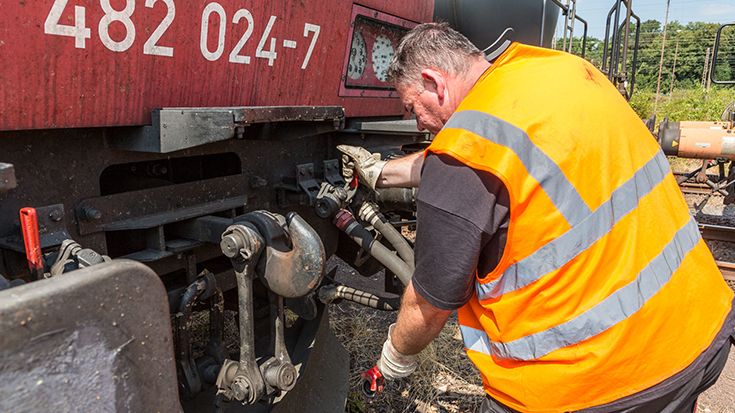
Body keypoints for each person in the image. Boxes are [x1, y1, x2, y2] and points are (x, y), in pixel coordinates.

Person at [338, 22, 735, 413]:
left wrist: (394, 358)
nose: (419, 123)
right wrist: (382, 171)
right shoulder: (559, 71)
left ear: (433, 82)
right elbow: (497, 149)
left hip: (602, 384)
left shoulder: (463, 156)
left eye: (412, 107)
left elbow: (429, 305)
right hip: (699, 332)